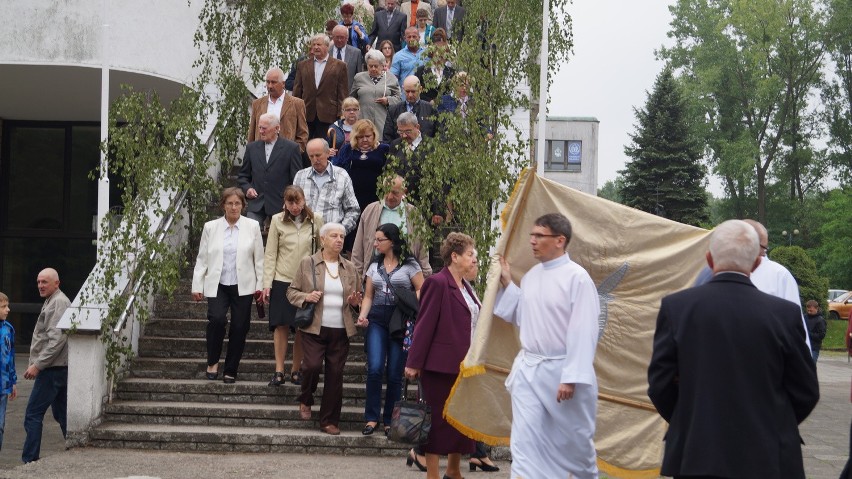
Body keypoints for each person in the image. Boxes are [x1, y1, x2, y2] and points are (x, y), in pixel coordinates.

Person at [647, 219, 819, 479]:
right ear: (757, 262)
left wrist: (693, 419)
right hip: (767, 454)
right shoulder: (784, 314)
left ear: (709, 259)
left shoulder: (677, 309)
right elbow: (806, 390)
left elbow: (660, 384)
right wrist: (772, 422)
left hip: (697, 452)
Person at [494, 213, 600, 478]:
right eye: (532, 235)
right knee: (524, 442)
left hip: (563, 374)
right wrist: (508, 283)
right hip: (529, 371)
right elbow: (525, 316)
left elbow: (584, 329)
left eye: (539, 236)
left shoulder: (578, 278)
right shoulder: (530, 277)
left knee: (575, 448)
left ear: (559, 240)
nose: (532, 241)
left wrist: (571, 377)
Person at [405, 232, 478, 479]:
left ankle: (454, 471)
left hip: (465, 366)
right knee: (436, 423)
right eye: (470, 254)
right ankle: (433, 474)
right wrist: (414, 362)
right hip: (440, 366)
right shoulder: (437, 282)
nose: (474, 259)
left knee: (460, 422)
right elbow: (424, 324)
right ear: (454, 257)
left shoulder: (467, 286)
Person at [286, 222, 362, 435]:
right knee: (310, 366)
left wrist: (356, 303)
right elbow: (291, 292)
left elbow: (358, 300)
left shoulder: (350, 268)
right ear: (322, 239)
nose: (339, 240)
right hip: (313, 328)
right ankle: (306, 397)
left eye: (342, 236)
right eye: (334, 236)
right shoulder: (308, 263)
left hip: (341, 329)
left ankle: (329, 420)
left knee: (335, 375)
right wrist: (306, 297)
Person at [356, 223, 424, 436]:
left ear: (392, 242)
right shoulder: (374, 265)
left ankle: (389, 420)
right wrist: (363, 315)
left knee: (395, 372)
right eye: (375, 239)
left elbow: (421, 288)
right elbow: (368, 295)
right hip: (377, 317)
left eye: (379, 240)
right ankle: (371, 418)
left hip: (400, 319)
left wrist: (413, 311)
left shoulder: (410, 264)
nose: (375, 243)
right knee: (375, 367)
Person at [191, 188, 264, 384]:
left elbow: (259, 260)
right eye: (230, 203)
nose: (234, 207)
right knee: (216, 319)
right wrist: (197, 285)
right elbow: (202, 258)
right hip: (218, 284)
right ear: (223, 205)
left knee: (240, 326)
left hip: (244, 285)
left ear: (243, 205)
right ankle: (213, 361)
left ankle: (231, 368)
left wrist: (260, 285)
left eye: (237, 203)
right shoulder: (210, 227)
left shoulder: (253, 226)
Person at [262, 185, 324, 387]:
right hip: (282, 277)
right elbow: (271, 253)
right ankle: (279, 370)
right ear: (285, 203)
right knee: (280, 325)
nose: (295, 207)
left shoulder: (316, 220)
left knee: (301, 326)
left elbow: (322, 252)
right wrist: (266, 284)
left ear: (304, 200)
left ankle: (296, 369)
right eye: (290, 202)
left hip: (305, 281)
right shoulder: (277, 220)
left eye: (298, 201)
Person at [22, 268, 70, 463]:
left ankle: (29, 461)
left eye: (45, 282)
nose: (40, 285)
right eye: (39, 281)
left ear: (56, 283)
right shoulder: (53, 300)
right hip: (58, 368)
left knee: (33, 414)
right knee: (62, 415)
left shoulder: (58, 302)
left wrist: (38, 365)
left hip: (52, 370)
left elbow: (56, 340)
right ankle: (77, 447)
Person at [351, 175, 432, 279]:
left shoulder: (414, 214)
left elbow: (422, 249)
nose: (389, 196)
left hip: (405, 273)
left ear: (404, 192)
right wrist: (357, 275)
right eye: (386, 191)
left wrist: (425, 275)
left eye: (395, 193)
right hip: (374, 272)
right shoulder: (370, 211)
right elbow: (358, 248)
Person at [292, 139, 361, 252]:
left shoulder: (341, 175)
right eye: (311, 156)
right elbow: (292, 207)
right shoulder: (300, 176)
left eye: (318, 155)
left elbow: (353, 210)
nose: (315, 159)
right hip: (304, 240)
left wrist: (340, 231)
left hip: (332, 242)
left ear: (328, 153)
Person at [237, 112, 304, 228]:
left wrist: (290, 201)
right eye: (259, 128)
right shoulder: (251, 148)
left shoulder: (291, 148)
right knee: (250, 236)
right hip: (256, 203)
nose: (261, 131)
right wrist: (247, 189)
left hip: (281, 204)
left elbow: (297, 180)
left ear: (277, 128)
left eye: (264, 128)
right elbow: (243, 176)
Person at [292, 33, 350, 140]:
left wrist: (342, 114)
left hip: (328, 115)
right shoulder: (302, 65)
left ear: (327, 47)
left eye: (319, 44)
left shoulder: (339, 66)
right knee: (305, 146)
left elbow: (342, 93)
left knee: (326, 146)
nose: (315, 47)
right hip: (306, 113)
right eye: (313, 45)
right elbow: (297, 90)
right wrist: (295, 111)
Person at [332, 119, 391, 212]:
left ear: (374, 135)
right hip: (352, 196)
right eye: (360, 137)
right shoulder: (348, 149)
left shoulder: (384, 149)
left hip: (376, 196)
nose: (365, 139)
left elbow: (390, 172)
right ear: (355, 137)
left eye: (368, 136)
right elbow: (338, 170)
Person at [247, 67, 309, 154]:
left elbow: (303, 134)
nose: (270, 86)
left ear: (283, 84)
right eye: (268, 82)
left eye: (273, 82)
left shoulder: (297, 104)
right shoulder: (257, 104)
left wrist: (294, 153)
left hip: (286, 156)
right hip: (261, 155)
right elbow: (252, 133)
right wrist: (251, 154)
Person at [350, 49, 401, 136]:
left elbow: (399, 99)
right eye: (370, 66)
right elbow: (351, 99)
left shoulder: (391, 78)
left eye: (376, 66)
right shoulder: (359, 78)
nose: (373, 68)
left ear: (382, 65)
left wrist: (388, 100)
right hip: (363, 120)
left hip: (383, 122)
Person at [383, 75, 435, 142]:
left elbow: (436, 134)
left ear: (420, 89)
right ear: (403, 89)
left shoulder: (430, 109)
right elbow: (387, 137)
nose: (410, 95)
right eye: (407, 91)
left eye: (413, 91)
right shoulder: (393, 110)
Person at [414, 36, 455, 104]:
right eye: (438, 51)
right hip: (425, 108)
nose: (440, 54)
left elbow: (453, 93)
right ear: (432, 53)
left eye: (444, 52)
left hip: (446, 109)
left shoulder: (451, 72)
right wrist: (429, 101)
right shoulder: (421, 71)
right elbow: (416, 91)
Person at [0, 292, 16, 451]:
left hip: (3, 385)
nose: (8, 310)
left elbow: (11, 356)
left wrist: (13, 381)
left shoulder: (8, 329)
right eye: (3, 307)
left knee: (1, 425)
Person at [326, 97, 362, 161]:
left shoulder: (364, 127)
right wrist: (328, 151)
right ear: (343, 111)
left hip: (359, 161)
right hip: (339, 162)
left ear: (359, 111)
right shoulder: (334, 127)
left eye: (355, 109)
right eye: (348, 110)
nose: (352, 112)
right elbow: (326, 148)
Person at [331, 25, 366, 90]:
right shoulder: (326, 52)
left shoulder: (356, 53)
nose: (339, 40)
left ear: (347, 38)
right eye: (337, 37)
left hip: (349, 94)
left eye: (342, 37)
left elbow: (359, 77)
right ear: (332, 37)